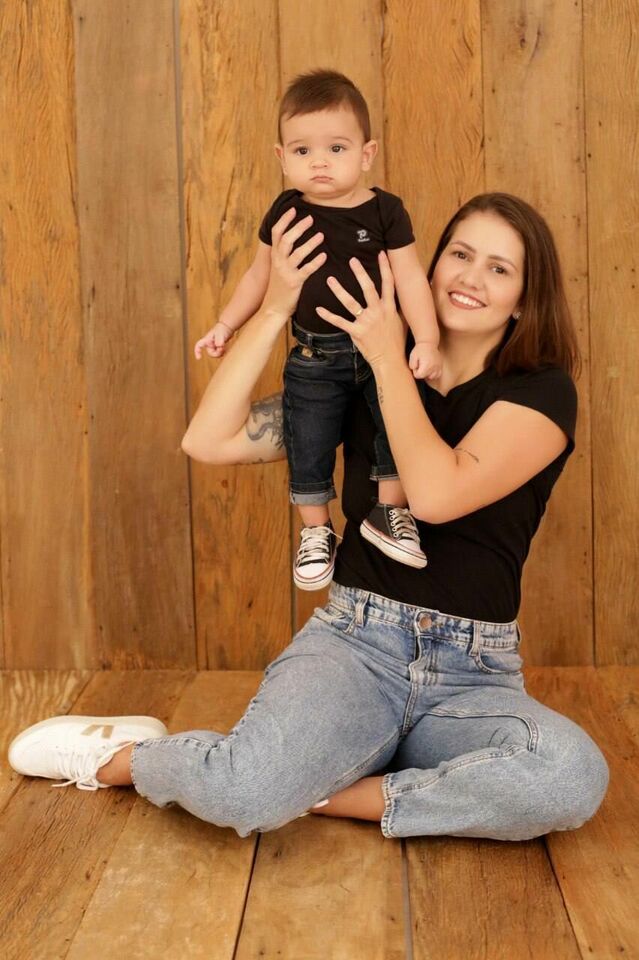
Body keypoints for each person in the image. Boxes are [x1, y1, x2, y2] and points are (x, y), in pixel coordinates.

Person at [8, 193, 609, 842]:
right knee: (244, 792)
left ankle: (317, 788)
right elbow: (208, 439)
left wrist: (387, 357)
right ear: (429, 266)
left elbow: (436, 495)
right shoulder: (355, 373)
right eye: (459, 255)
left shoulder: (540, 393)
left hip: (472, 676)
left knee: (567, 776)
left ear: (522, 299)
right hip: (357, 649)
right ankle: (121, 758)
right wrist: (274, 308)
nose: (471, 278)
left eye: (499, 268)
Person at [194, 70, 442, 588]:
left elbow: (411, 278)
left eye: (336, 148)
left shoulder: (385, 210)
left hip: (380, 350)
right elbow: (258, 276)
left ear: (367, 154)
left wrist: (427, 340)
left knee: (395, 424)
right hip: (314, 355)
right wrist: (225, 323)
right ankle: (316, 529)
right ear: (282, 158)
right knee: (307, 436)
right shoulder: (286, 211)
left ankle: (389, 511)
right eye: (303, 151)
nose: (320, 162)